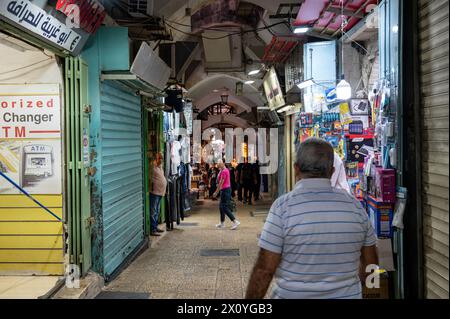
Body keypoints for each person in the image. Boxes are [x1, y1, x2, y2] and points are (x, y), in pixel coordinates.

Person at [245, 137, 378, 299]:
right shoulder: (355, 207)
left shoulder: (282, 208)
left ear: (296, 169)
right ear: (332, 171)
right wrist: (371, 291)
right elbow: (371, 264)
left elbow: (265, 270)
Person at [213, 159, 240, 230]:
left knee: (224, 207)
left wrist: (216, 192)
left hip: (226, 190)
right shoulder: (221, 170)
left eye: (219, 163)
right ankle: (222, 223)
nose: (218, 165)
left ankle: (235, 221)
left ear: (223, 163)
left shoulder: (225, 171)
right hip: (223, 190)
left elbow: (221, 183)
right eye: (218, 163)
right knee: (221, 207)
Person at [150, 152, 167, 236]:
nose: (161, 160)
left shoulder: (160, 167)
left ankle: (155, 226)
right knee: (153, 211)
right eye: (159, 158)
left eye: (161, 158)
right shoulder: (152, 167)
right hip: (154, 192)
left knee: (157, 210)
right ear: (155, 159)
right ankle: (153, 229)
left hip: (160, 192)